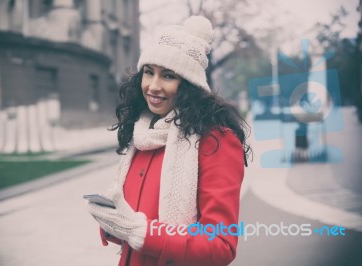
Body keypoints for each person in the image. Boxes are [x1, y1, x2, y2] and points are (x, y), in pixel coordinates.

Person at [84, 16, 251, 266]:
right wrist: (112, 223)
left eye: (168, 76)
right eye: (149, 72)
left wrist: (140, 232)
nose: (153, 86)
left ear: (189, 84)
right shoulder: (141, 133)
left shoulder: (216, 140)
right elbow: (133, 225)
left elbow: (221, 246)